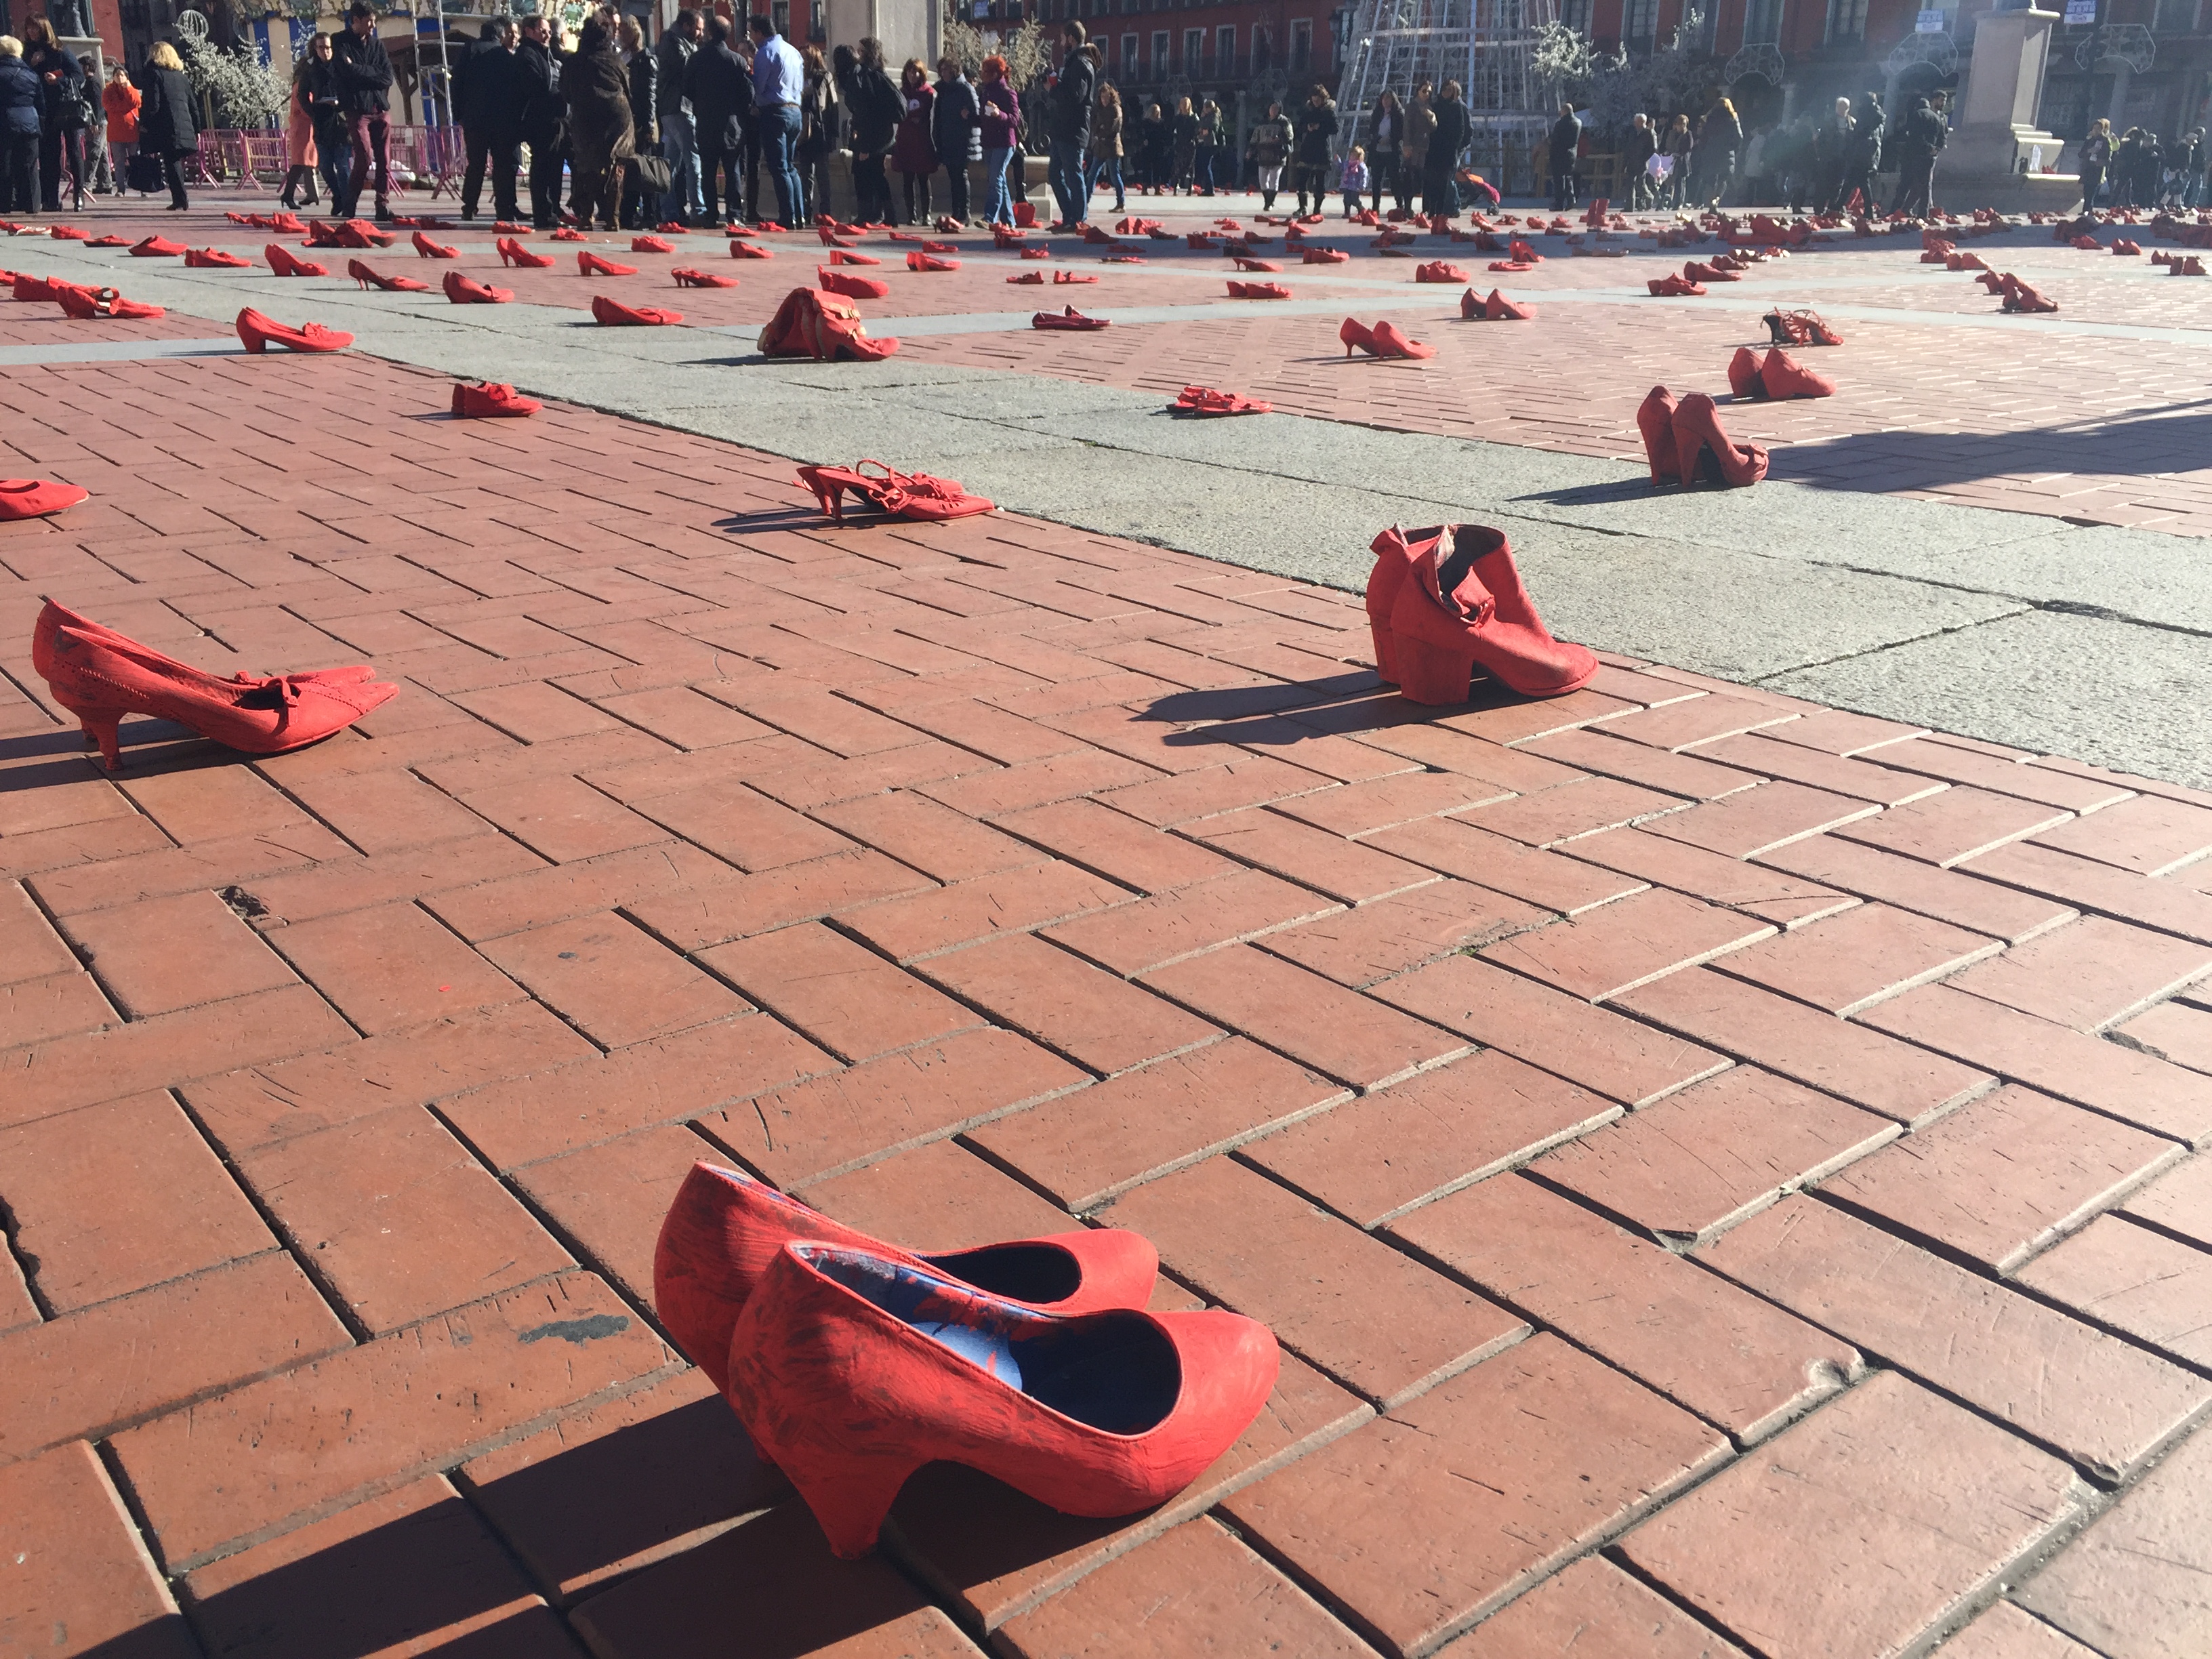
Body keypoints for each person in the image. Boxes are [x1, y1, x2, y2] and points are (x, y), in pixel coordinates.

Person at [561, 16, 630, 230]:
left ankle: (586, 216)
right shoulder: (615, 61)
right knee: (616, 165)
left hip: (586, 116)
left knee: (586, 166)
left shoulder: (573, 62)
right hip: (617, 116)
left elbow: (565, 92)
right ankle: (613, 218)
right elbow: (629, 89)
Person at [683, 14, 745, 225]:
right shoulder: (737, 60)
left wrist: (700, 103)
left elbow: (687, 89)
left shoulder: (696, 59)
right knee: (732, 169)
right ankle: (734, 214)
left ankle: (711, 214)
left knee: (708, 170)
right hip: (730, 122)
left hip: (706, 121)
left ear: (710, 32)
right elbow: (747, 92)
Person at [24, 18, 87, 213]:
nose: (32, 31)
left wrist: (58, 80)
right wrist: (31, 64)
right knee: (49, 154)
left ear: (45, 29)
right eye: (29, 28)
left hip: (66, 106)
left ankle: (79, 195)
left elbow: (78, 76)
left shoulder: (59, 50)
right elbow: (23, 76)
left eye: (35, 28)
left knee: (74, 151)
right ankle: (51, 199)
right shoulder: (28, 52)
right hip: (45, 109)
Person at [746, 14, 803, 227]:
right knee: (790, 167)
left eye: (751, 32)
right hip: (795, 111)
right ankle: (800, 215)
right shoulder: (793, 51)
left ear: (760, 32)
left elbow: (758, 87)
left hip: (774, 112)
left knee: (779, 167)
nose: (750, 37)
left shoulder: (765, 52)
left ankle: (788, 216)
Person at [513, 12, 566, 226]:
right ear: (529, 31)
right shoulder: (527, 54)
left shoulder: (547, 54)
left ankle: (552, 210)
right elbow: (537, 88)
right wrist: (559, 97)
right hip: (540, 119)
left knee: (553, 166)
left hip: (555, 118)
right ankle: (543, 213)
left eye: (549, 31)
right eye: (542, 31)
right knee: (542, 166)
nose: (547, 35)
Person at [842, 37, 899, 226]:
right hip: (882, 135)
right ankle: (883, 214)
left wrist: (864, 145)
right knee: (876, 174)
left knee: (863, 174)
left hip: (870, 135)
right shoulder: (880, 75)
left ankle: (868, 214)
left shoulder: (867, 77)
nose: (858, 55)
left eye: (861, 51)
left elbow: (866, 112)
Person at [1044, 19, 1094, 229]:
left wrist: (1053, 90)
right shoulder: (1074, 62)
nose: (1061, 42)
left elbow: (1076, 96)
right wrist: (1055, 79)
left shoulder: (1081, 63)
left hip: (1073, 128)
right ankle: (1070, 216)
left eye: (1063, 38)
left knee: (1073, 175)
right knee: (1055, 174)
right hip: (1063, 128)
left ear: (1071, 39)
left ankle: (1078, 219)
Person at [135, 39, 195, 210]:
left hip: (166, 125)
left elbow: (152, 104)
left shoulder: (153, 74)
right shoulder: (181, 77)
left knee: (171, 162)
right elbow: (192, 104)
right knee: (174, 161)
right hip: (184, 124)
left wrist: (144, 122)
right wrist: (196, 128)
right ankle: (180, 198)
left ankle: (180, 199)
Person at [655, 7, 701, 225]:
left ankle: (669, 210)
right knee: (693, 158)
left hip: (671, 108)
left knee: (671, 164)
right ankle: (699, 209)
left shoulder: (674, 40)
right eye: (698, 29)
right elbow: (686, 66)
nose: (700, 34)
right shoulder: (672, 42)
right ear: (686, 26)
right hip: (679, 108)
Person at [451, 20, 497, 220]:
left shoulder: (470, 50)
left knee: (476, 163)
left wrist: (458, 114)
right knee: (502, 163)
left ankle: (469, 205)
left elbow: (456, 82)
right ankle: (505, 205)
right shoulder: (501, 52)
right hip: (497, 117)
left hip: (473, 118)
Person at [929, 55, 977, 224]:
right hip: (947, 138)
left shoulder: (965, 88)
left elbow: (976, 114)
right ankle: (956, 211)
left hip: (962, 139)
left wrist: (968, 116)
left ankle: (965, 212)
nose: (943, 73)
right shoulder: (942, 90)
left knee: (961, 175)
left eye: (946, 70)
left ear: (954, 70)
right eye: (941, 70)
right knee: (953, 177)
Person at [973, 52, 1018, 227]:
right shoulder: (985, 92)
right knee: (999, 180)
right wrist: (970, 117)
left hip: (1004, 143)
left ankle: (990, 217)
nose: (982, 75)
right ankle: (1009, 221)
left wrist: (1000, 114)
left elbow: (1015, 120)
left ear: (994, 74)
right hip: (989, 142)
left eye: (985, 71)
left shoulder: (1008, 93)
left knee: (995, 179)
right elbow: (983, 119)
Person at [891, 56, 934, 224]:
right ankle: (911, 215)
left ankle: (926, 214)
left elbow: (924, 115)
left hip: (922, 141)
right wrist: (910, 117)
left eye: (916, 71)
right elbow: (899, 114)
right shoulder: (902, 93)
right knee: (907, 179)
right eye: (910, 71)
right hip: (905, 141)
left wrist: (911, 117)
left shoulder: (928, 92)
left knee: (923, 178)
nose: (913, 75)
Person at [279, 45, 321, 208]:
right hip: (303, 128)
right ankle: (288, 195)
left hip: (304, 128)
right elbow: (304, 107)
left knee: (306, 162)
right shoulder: (301, 87)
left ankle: (310, 195)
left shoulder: (298, 85)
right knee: (300, 163)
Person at [1889, 91, 1944, 218]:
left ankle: (1896, 210)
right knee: (1925, 186)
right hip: (1930, 156)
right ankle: (1923, 213)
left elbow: (1915, 135)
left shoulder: (1917, 114)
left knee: (1905, 183)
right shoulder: (1937, 117)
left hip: (1914, 154)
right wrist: (1936, 149)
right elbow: (1942, 136)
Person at [0, 37, 38, 216]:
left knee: (4, 164)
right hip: (30, 121)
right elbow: (40, 102)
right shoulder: (31, 74)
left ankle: (4, 203)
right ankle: (33, 204)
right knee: (30, 165)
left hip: (5, 121)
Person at [795, 43, 833, 222]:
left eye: (805, 57)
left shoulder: (823, 77)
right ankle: (806, 211)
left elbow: (831, 105)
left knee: (822, 174)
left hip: (819, 130)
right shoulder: (797, 77)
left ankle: (825, 212)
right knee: (805, 174)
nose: (802, 61)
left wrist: (832, 133)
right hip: (803, 131)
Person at [1290, 83, 1335, 215]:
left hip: (1322, 148)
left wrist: (1320, 127)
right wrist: (1307, 128)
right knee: (1302, 177)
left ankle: (1317, 209)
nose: (1315, 102)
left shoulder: (1328, 112)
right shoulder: (1308, 111)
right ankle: (1303, 207)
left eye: (1318, 100)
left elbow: (1335, 129)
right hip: (1308, 147)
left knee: (1319, 179)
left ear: (1323, 99)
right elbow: (1300, 127)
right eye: (1314, 100)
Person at [1426, 79, 1467, 216]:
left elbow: (1462, 129)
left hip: (1449, 151)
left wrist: (1456, 146)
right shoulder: (1434, 106)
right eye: (1445, 89)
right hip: (1434, 149)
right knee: (1432, 181)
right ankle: (1432, 209)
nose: (1447, 92)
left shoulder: (1457, 107)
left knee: (1444, 182)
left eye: (1450, 90)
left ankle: (1440, 211)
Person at [1246, 97, 1289, 210]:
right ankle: (1267, 200)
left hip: (1277, 155)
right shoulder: (1262, 123)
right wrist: (1250, 151)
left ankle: (1270, 202)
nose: (1273, 111)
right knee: (1263, 181)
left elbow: (1289, 137)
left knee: (1274, 180)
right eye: (1272, 108)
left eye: (1276, 109)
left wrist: (1280, 140)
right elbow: (1255, 138)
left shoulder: (1284, 122)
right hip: (1263, 154)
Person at [101, 62, 138, 193]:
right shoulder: (108, 91)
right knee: (119, 162)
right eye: (117, 75)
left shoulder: (132, 89)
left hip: (132, 130)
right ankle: (121, 189)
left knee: (136, 160)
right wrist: (126, 107)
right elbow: (109, 106)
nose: (120, 77)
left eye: (122, 75)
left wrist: (128, 89)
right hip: (116, 133)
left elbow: (136, 102)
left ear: (126, 77)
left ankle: (140, 187)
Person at [1086, 77, 1122, 212]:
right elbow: (1095, 125)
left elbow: (1112, 127)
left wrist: (1101, 130)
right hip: (1101, 147)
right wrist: (1100, 130)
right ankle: (1085, 201)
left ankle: (1121, 203)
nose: (1104, 100)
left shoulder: (1115, 109)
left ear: (1111, 97)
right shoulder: (1099, 109)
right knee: (1092, 174)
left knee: (1114, 176)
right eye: (1102, 97)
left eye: (1107, 97)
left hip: (1112, 146)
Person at [1364, 89, 1401, 213]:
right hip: (1377, 151)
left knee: (1394, 179)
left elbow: (1401, 132)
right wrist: (1377, 139)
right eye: (1384, 98)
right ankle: (1376, 207)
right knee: (1376, 180)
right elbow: (1371, 130)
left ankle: (1400, 205)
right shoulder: (1377, 114)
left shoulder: (1398, 115)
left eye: (1388, 98)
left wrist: (1390, 139)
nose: (1386, 101)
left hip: (1392, 151)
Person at [1814, 96, 1853, 213]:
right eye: (1839, 106)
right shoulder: (1828, 121)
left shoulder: (1852, 122)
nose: (1841, 109)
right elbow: (1820, 139)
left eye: (1844, 107)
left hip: (1843, 158)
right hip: (1829, 157)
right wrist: (1821, 154)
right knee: (1824, 183)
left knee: (1838, 184)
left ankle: (1832, 208)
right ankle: (1819, 208)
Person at [1401, 81, 1433, 211]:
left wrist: (1431, 118)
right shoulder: (1412, 106)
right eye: (1424, 91)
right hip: (1413, 146)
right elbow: (1407, 126)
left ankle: (1425, 208)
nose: (1427, 94)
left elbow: (1434, 128)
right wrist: (1407, 145)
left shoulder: (1430, 107)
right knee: (1411, 175)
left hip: (1425, 147)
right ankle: (1408, 206)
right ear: (1418, 91)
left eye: (1429, 92)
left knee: (1421, 176)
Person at [1547, 98, 1580, 211]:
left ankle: (1559, 203)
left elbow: (1555, 139)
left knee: (1559, 179)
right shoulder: (1578, 122)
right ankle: (1571, 199)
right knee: (1568, 177)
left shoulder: (1561, 124)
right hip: (1572, 153)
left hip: (1560, 154)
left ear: (1564, 111)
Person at [2076, 117, 2110, 213]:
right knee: (2086, 191)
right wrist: (2089, 151)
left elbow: (2108, 157)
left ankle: (2087, 210)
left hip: (2097, 169)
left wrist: (2100, 160)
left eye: (2098, 129)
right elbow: (2081, 154)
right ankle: (2087, 210)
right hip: (2087, 168)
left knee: (2092, 191)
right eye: (2095, 128)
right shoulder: (2089, 140)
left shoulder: (2105, 141)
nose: (2096, 131)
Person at [1134, 97, 1165, 195]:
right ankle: (1145, 188)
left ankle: (1157, 188)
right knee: (1146, 169)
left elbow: (1165, 135)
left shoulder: (1161, 123)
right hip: (1147, 148)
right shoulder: (1145, 122)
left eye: (1158, 112)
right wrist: (1143, 141)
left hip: (1158, 148)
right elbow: (1140, 134)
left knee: (1158, 169)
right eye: (1155, 112)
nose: (1157, 114)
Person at [1625, 111, 1656, 209]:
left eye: (1637, 121)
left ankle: (1650, 197)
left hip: (1642, 162)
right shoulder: (1633, 132)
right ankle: (1629, 206)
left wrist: (1644, 158)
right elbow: (1629, 146)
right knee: (1630, 184)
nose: (1635, 123)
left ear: (1643, 122)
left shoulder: (1649, 133)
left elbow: (1653, 149)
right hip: (1632, 161)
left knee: (1640, 184)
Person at [1662, 111, 1692, 207]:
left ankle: (1679, 203)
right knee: (1670, 182)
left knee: (1681, 182)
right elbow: (1669, 145)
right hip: (1672, 161)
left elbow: (1689, 147)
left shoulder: (1688, 134)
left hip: (1683, 161)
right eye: (1680, 124)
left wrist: (1679, 154)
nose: (1682, 126)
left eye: (1684, 124)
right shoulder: (1673, 134)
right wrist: (1669, 152)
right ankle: (1669, 201)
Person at [1170, 94, 1197, 194]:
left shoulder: (1193, 118)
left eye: (1186, 104)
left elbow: (1197, 130)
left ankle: (1190, 186)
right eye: (1182, 104)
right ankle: (1176, 185)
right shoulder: (1178, 118)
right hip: (1180, 144)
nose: (1184, 106)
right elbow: (1171, 129)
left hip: (1190, 144)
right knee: (1178, 165)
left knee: (1190, 165)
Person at [1195, 96, 1221, 197]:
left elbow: (1214, 126)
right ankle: (1208, 187)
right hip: (1206, 143)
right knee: (1205, 165)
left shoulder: (1214, 116)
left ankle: (1210, 188)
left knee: (1206, 166)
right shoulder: (1207, 116)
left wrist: (1207, 129)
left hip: (1210, 143)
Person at [1337, 144, 1367, 216]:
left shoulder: (1361, 166)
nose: (1352, 157)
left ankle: (1361, 210)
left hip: (1355, 186)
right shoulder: (1347, 163)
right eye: (1351, 155)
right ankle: (1347, 213)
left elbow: (1363, 176)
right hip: (1347, 184)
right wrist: (1338, 161)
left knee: (1355, 200)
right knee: (1346, 200)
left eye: (1354, 156)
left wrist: (1362, 186)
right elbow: (1342, 168)